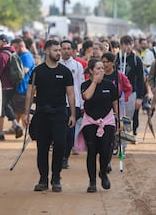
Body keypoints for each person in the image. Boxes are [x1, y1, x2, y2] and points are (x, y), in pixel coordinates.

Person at [23, 40, 76, 192]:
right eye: (55, 50)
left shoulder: (65, 72)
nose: (59, 53)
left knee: (60, 144)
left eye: (60, 50)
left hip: (60, 113)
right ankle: (43, 179)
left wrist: (72, 114)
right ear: (47, 51)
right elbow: (29, 93)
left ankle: (56, 177)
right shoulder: (37, 71)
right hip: (42, 114)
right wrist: (27, 113)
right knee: (42, 148)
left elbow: (70, 94)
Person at [75, 58, 118, 193]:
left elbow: (115, 102)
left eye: (102, 68)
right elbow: (87, 96)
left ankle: (103, 173)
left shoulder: (110, 85)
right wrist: (94, 82)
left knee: (105, 150)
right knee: (92, 151)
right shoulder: (85, 84)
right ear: (91, 71)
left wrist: (119, 120)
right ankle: (92, 182)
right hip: (90, 121)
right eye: (98, 68)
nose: (101, 71)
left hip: (107, 120)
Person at [0, 34, 23, 140]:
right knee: (5, 106)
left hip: (4, 86)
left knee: (0, 108)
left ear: (4, 42)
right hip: (12, 86)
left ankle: (0, 132)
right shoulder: (12, 52)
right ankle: (15, 125)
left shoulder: (2, 56)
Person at [59, 40, 84, 169]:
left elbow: (80, 85)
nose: (66, 51)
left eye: (69, 48)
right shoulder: (56, 65)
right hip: (58, 104)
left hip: (73, 104)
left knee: (70, 133)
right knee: (59, 133)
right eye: (64, 48)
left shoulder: (78, 66)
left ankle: (65, 157)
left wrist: (82, 104)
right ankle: (59, 155)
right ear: (60, 50)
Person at [115, 35, 144, 137]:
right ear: (121, 45)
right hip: (116, 93)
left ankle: (124, 141)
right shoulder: (116, 59)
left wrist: (140, 97)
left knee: (127, 118)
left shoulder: (136, 60)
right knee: (116, 117)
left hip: (131, 93)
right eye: (124, 44)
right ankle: (116, 141)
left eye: (129, 44)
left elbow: (141, 79)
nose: (127, 47)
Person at [7, 38, 35, 133]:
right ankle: (15, 127)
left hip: (24, 89)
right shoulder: (21, 55)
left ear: (21, 46)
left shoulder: (26, 56)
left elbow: (24, 71)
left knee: (23, 112)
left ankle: (28, 130)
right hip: (19, 89)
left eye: (15, 47)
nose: (13, 50)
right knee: (17, 110)